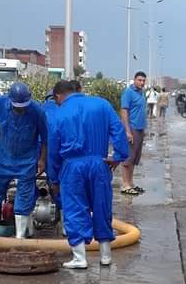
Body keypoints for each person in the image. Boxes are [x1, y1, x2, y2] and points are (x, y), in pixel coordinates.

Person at [48, 80, 129, 269]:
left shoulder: (59, 113)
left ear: (59, 96)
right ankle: (106, 256)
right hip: (99, 163)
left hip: (72, 167)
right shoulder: (101, 104)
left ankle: (79, 258)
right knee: (101, 206)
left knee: (75, 208)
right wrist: (118, 156)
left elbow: (53, 149)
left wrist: (54, 178)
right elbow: (118, 131)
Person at [0, 82, 47, 238]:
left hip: (27, 160)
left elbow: (45, 139)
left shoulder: (37, 111)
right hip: (4, 156)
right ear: (10, 100)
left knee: (25, 196)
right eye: (17, 106)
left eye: (23, 106)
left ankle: (20, 236)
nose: (20, 109)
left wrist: (42, 160)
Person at [120, 71, 147, 196]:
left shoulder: (142, 94)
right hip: (132, 128)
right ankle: (125, 185)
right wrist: (127, 130)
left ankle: (131, 183)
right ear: (134, 80)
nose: (141, 82)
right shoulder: (128, 93)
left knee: (135, 158)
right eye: (139, 80)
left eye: (143, 80)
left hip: (140, 129)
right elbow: (124, 111)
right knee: (128, 158)